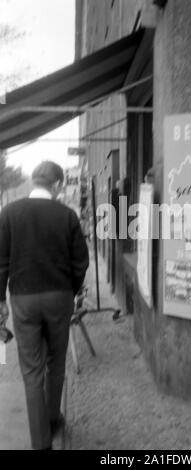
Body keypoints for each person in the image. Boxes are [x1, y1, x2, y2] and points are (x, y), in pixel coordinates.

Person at [0, 161, 89, 450]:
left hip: (23, 299)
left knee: (31, 371)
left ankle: (40, 443)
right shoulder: (67, 215)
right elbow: (80, 262)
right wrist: (71, 291)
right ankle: (52, 419)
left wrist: (0, 300)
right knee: (56, 361)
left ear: (34, 181)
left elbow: (0, 263)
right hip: (59, 297)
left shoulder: (9, 213)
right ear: (58, 184)